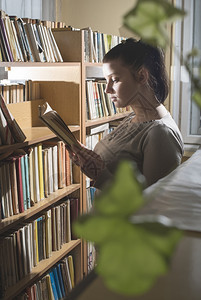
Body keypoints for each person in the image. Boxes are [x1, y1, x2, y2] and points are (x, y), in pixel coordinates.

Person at [71, 38, 184, 189]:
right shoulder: (133, 117)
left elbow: (151, 204)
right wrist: (88, 159)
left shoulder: (162, 133)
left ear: (142, 76)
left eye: (115, 80)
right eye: (106, 80)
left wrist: (100, 175)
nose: (107, 89)